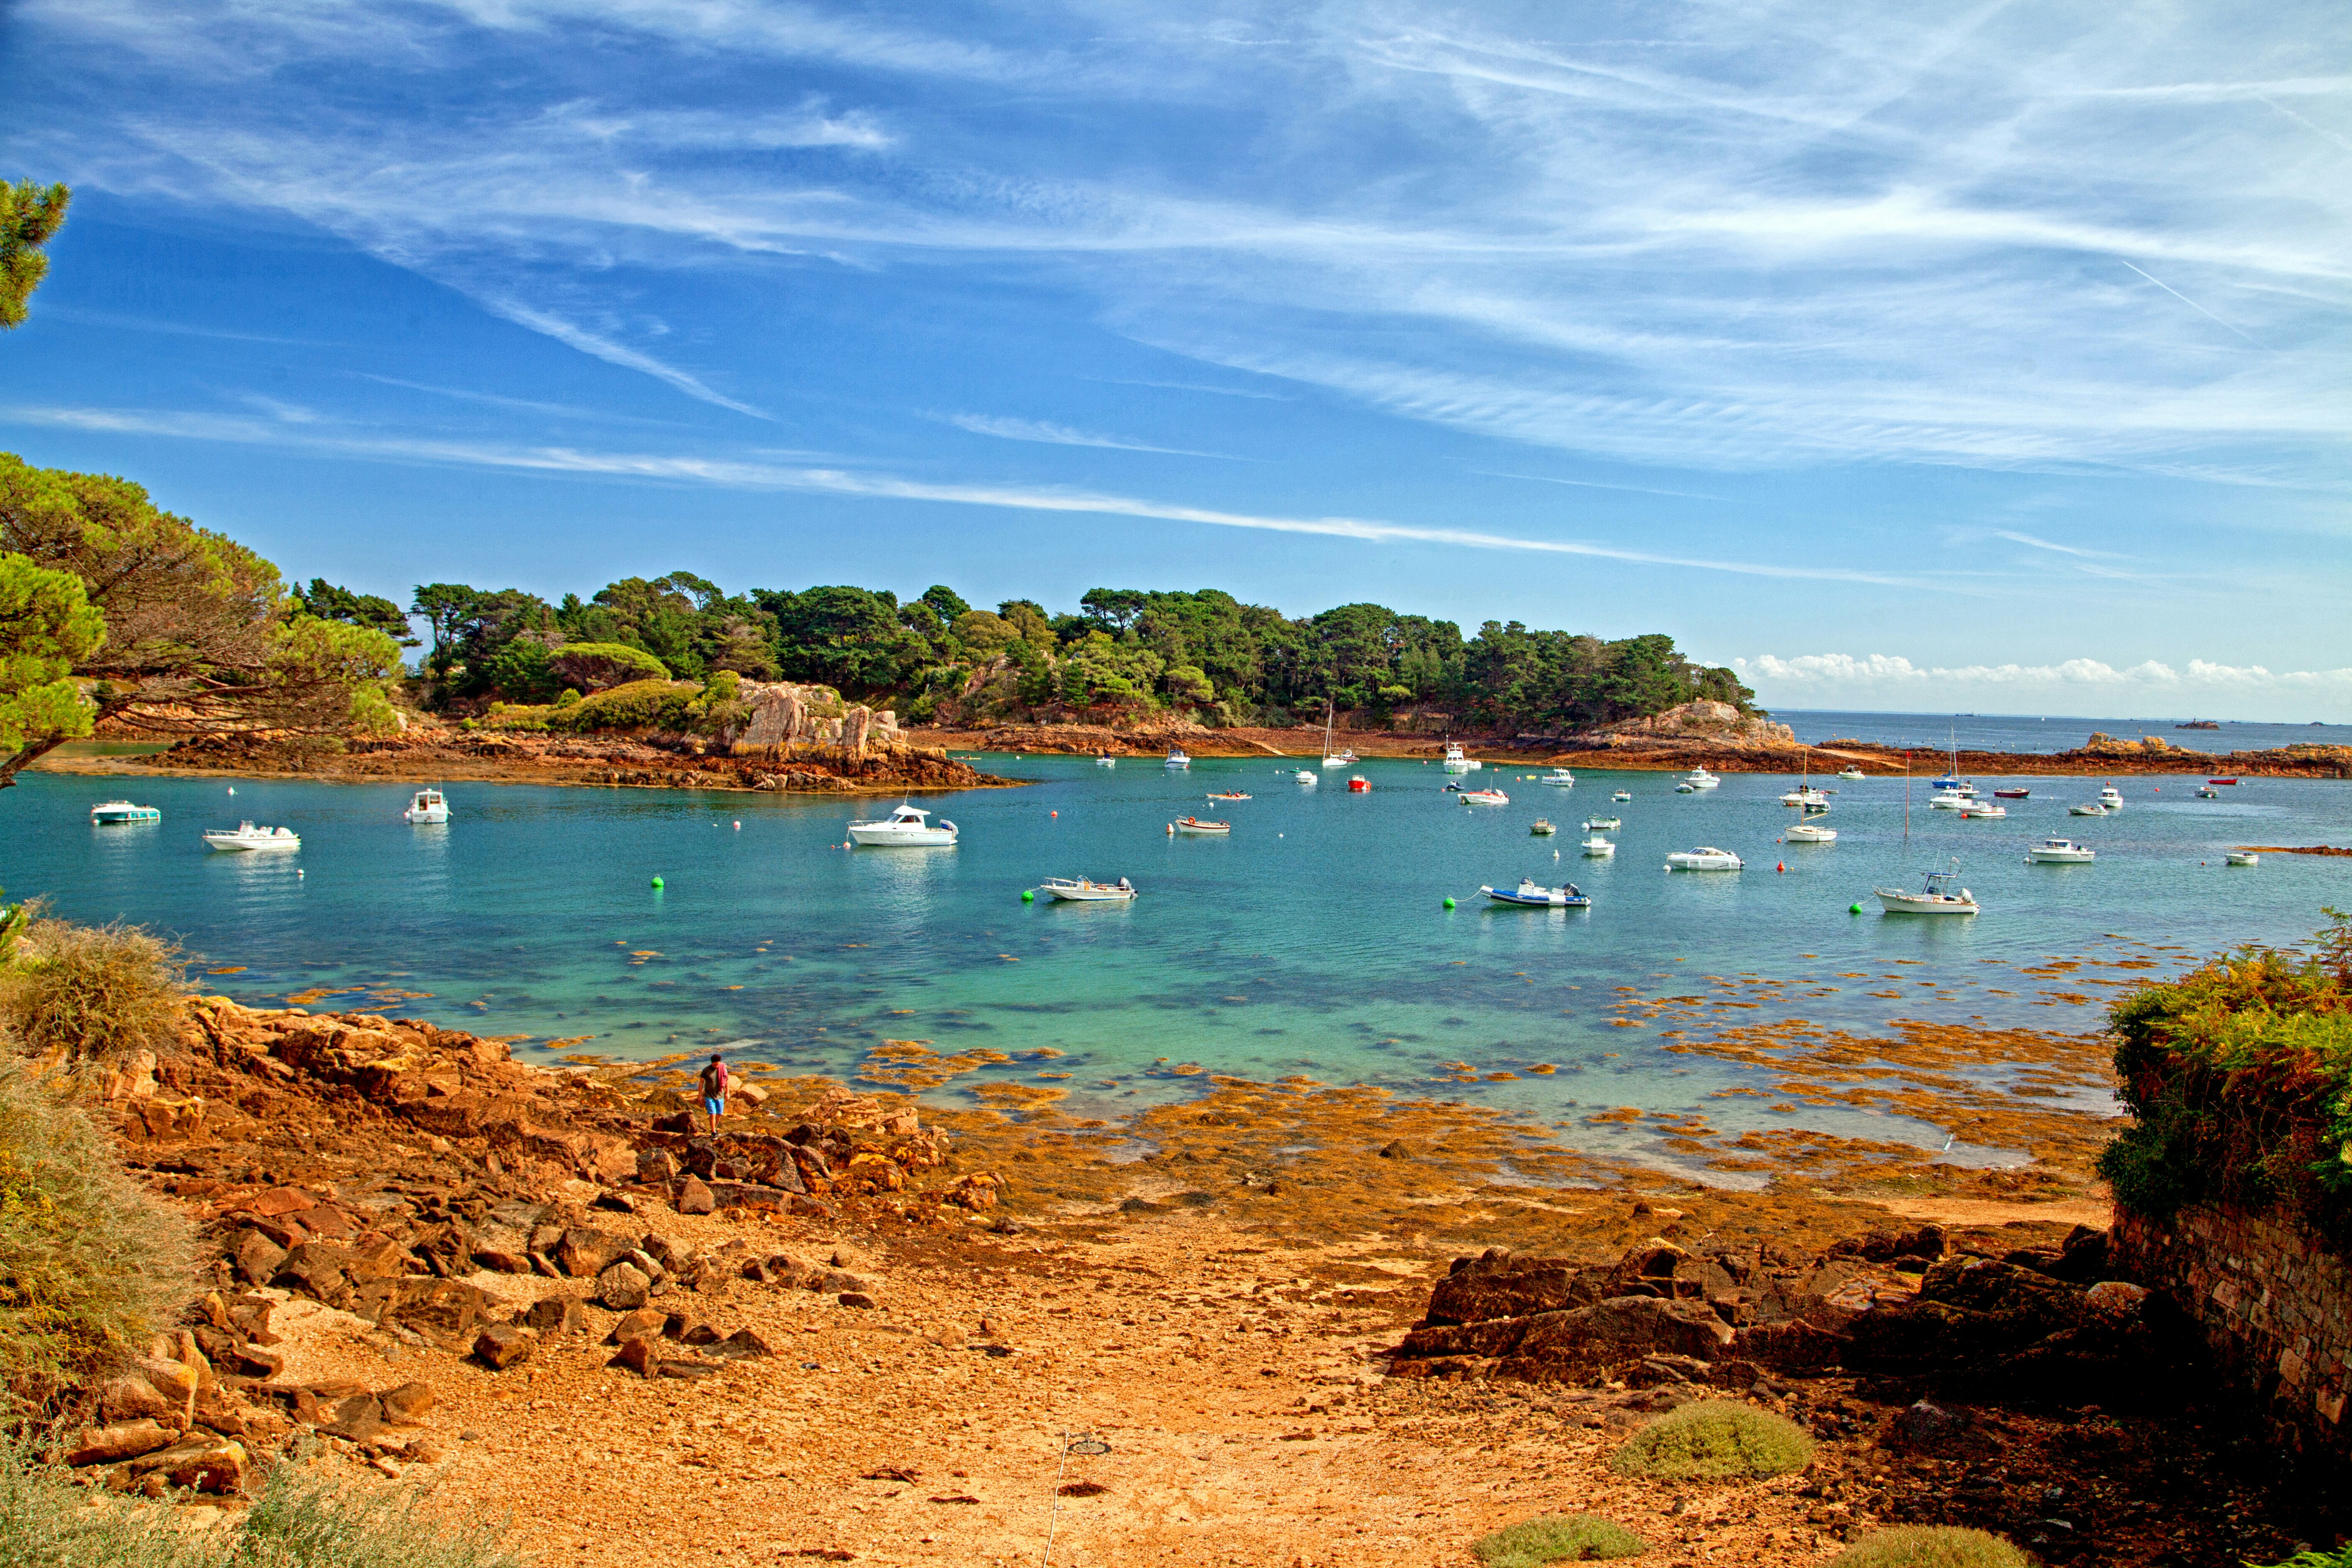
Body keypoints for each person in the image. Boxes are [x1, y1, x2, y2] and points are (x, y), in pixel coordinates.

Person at [698, 1053, 730, 1136]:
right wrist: (700, 1095)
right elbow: (701, 1082)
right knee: (713, 1114)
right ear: (712, 1063)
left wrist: (727, 1092)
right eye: (715, 1065)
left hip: (720, 1095)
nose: (717, 1066)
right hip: (709, 1096)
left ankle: (714, 1130)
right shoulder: (706, 1070)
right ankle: (713, 1132)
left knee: (719, 1114)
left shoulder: (723, 1069)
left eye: (718, 1064)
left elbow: (726, 1081)